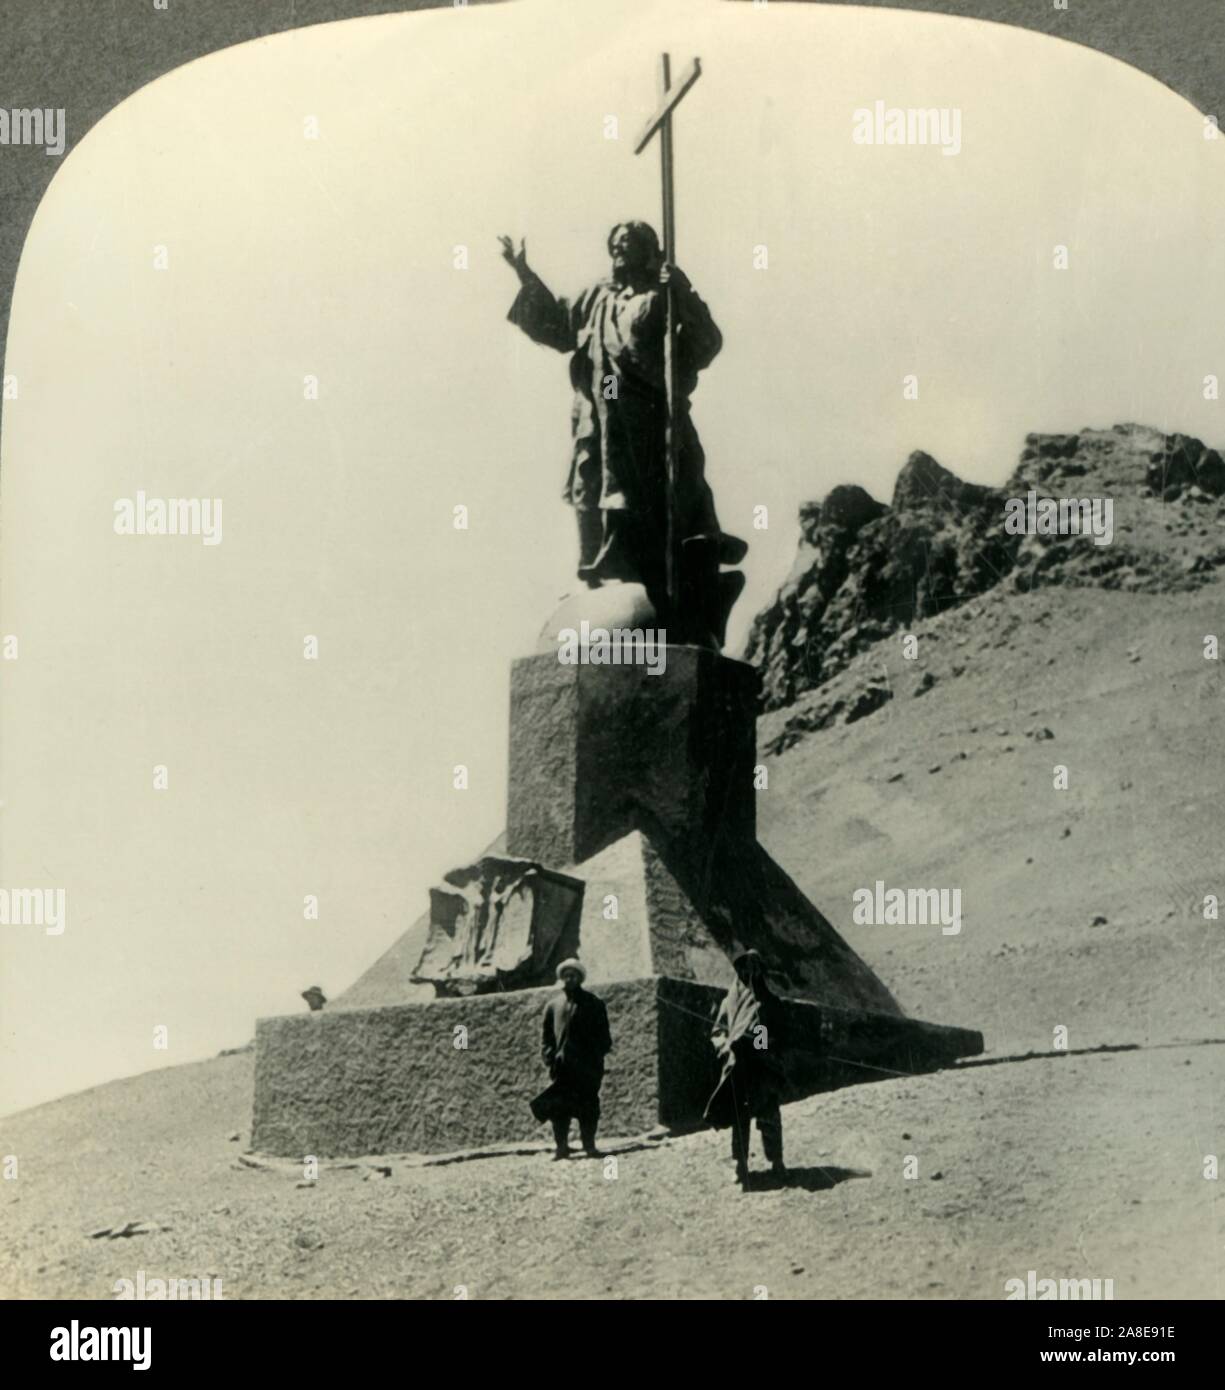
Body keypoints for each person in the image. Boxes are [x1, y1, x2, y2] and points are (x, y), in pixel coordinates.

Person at [500, 222, 746, 646]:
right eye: (614, 245)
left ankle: (667, 581)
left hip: (648, 419)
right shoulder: (596, 298)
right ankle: (598, 576)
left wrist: (682, 293)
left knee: (651, 496)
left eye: (628, 245)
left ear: (648, 251)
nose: (618, 252)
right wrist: (524, 273)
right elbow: (559, 325)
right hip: (597, 419)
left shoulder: (662, 296)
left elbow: (706, 344)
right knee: (590, 487)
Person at [704, 949, 787, 1189]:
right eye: (745, 968)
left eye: (755, 968)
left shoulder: (770, 1003)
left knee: (769, 1113)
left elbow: (777, 1033)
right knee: (740, 1118)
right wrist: (726, 1047)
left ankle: (777, 1161)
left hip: (763, 1066)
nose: (750, 973)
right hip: (738, 1066)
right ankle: (739, 1165)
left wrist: (759, 1043)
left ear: (761, 972)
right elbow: (718, 1031)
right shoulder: (728, 1003)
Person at [536, 958, 613, 1160]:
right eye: (566, 975)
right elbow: (546, 1037)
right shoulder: (553, 1005)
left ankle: (590, 1146)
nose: (569, 979)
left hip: (587, 1068)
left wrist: (594, 1059)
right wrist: (550, 1059)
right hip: (562, 1069)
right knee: (559, 1110)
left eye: (574, 975)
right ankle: (562, 1148)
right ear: (561, 978)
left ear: (580, 978)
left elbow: (604, 1037)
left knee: (588, 1107)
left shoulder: (594, 1004)